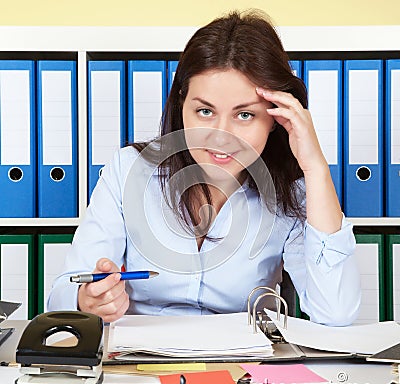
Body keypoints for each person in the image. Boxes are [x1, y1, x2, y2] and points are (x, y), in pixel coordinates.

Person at [48, 9, 361, 325]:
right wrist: (86, 300)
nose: (221, 137)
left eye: (244, 115)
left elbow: (335, 314)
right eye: (205, 112)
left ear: (276, 118)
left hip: (241, 365)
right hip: (137, 363)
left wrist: (316, 168)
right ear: (182, 104)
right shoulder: (130, 170)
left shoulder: (292, 194)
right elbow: (64, 292)